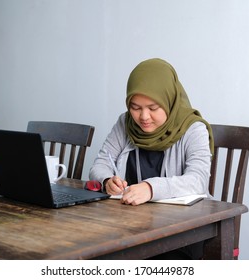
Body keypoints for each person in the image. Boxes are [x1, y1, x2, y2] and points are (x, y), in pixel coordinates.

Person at [89, 58, 214, 259]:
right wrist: (106, 181)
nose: (143, 117)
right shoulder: (125, 123)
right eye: (135, 107)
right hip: (130, 227)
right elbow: (100, 164)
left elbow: (198, 180)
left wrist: (150, 188)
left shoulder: (193, 129)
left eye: (153, 108)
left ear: (169, 100)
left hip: (181, 233)